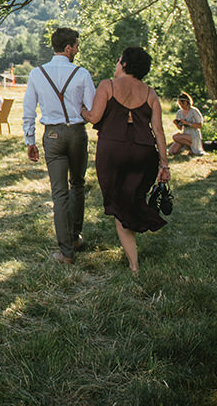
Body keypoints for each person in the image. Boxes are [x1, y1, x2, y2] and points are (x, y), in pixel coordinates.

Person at [80, 46, 171, 274]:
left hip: (113, 150)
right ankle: (140, 225)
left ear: (125, 64)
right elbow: (158, 131)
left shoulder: (107, 85)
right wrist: (164, 164)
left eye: (119, 59)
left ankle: (134, 263)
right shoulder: (150, 94)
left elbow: (94, 117)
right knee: (132, 198)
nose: (117, 63)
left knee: (119, 205)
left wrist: (81, 109)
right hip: (144, 152)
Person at [22, 27, 97, 265]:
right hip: (76, 132)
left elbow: (28, 110)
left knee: (59, 192)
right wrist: (82, 114)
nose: (77, 50)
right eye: (76, 46)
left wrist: (29, 140)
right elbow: (92, 109)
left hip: (52, 134)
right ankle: (75, 237)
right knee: (77, 184)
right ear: (68, 48)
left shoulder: (36, 73)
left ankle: (66, 252)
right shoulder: (82, 73)